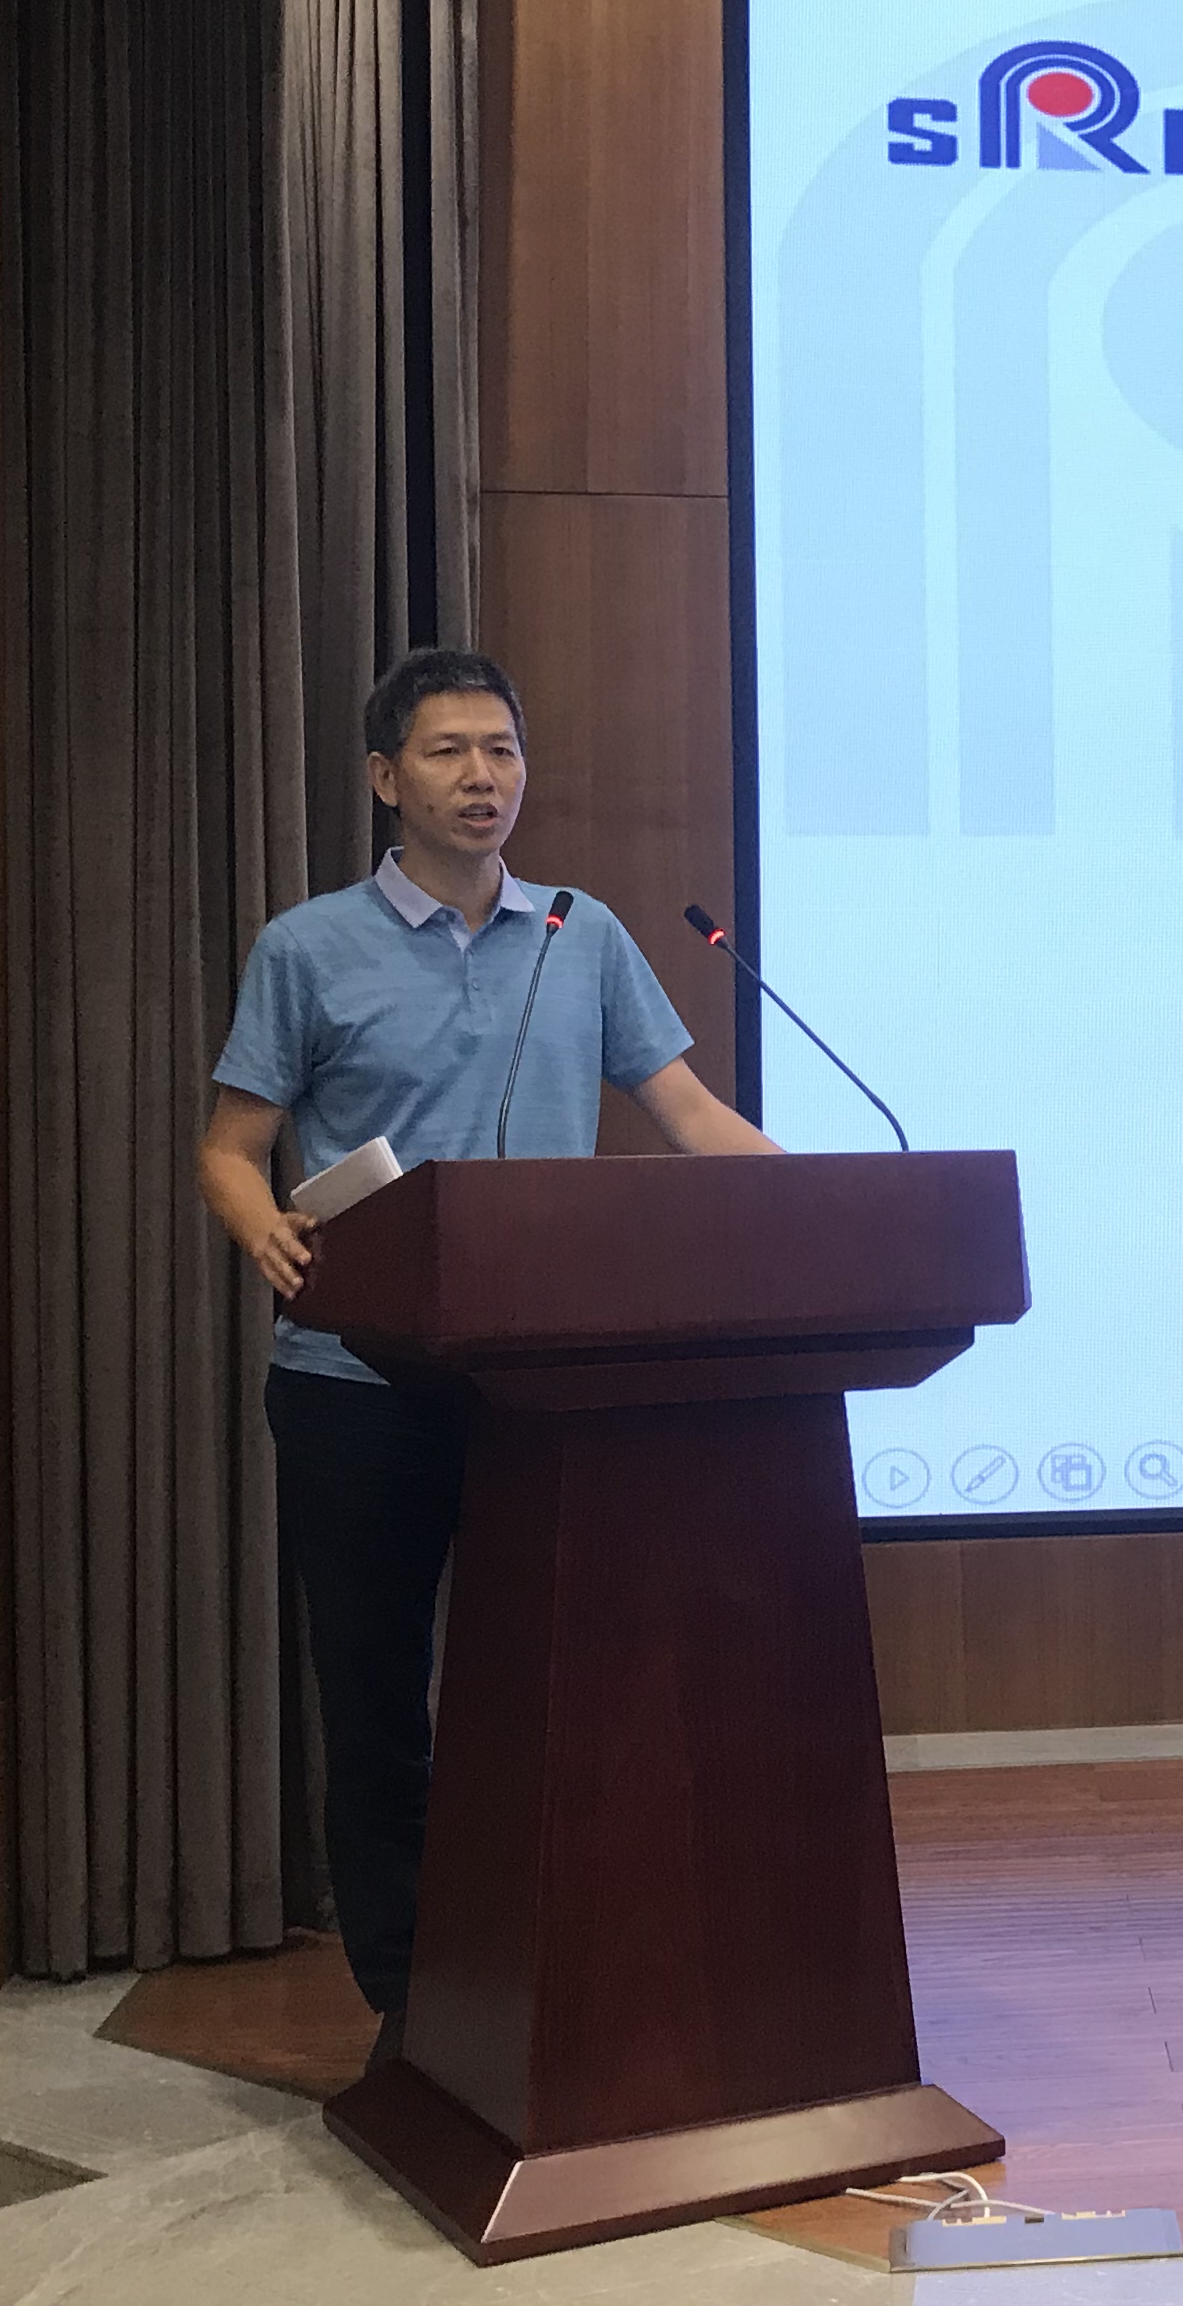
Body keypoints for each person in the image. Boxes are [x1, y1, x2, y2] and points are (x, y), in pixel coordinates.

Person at [197, 648, 776, 2055]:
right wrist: (264, 1230)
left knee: (554, 1688)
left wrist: (824, 1203)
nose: (483, 778)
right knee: (378, 1700)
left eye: (503, 751)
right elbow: (231, 1146)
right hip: (357, 1386)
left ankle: (554, 1964)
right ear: (385, 778)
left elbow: (688, 1113)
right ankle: (409, 2000)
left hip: (540, 1386)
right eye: (449, 752)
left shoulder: (583, 933)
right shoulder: (308, 947)